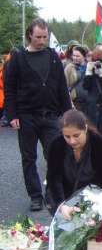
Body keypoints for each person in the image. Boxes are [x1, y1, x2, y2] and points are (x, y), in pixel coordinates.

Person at [4, 18, 72, 211]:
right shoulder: (17, 58)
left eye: (45, 37)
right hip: (26, 116)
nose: (42, 40)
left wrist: (68, 114)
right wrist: (12, 115)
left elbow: (61, 87)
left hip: (51, 116)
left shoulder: (53, 56)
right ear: (29, 35)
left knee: (54, 155)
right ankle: (35, 196)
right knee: (28, 158)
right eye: (38, 37)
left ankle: (52, 193)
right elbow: (9, 88)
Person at [46, 109, 102, 216]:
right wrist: (61, 204)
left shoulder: (100, 144)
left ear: (85, 129)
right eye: (67, 137)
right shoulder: (57, 145)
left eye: (76, 135)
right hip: (70, 192)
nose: (72, 141)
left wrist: (101, 198)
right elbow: (53, 177)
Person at [64, 45, 88, 113]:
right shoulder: (69, 68)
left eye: (77, 56)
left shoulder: (89, 67)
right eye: (73, 55)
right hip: (75, 101)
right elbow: (65, 85)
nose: (75, 58)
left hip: (88, 101)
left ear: (84, 56)